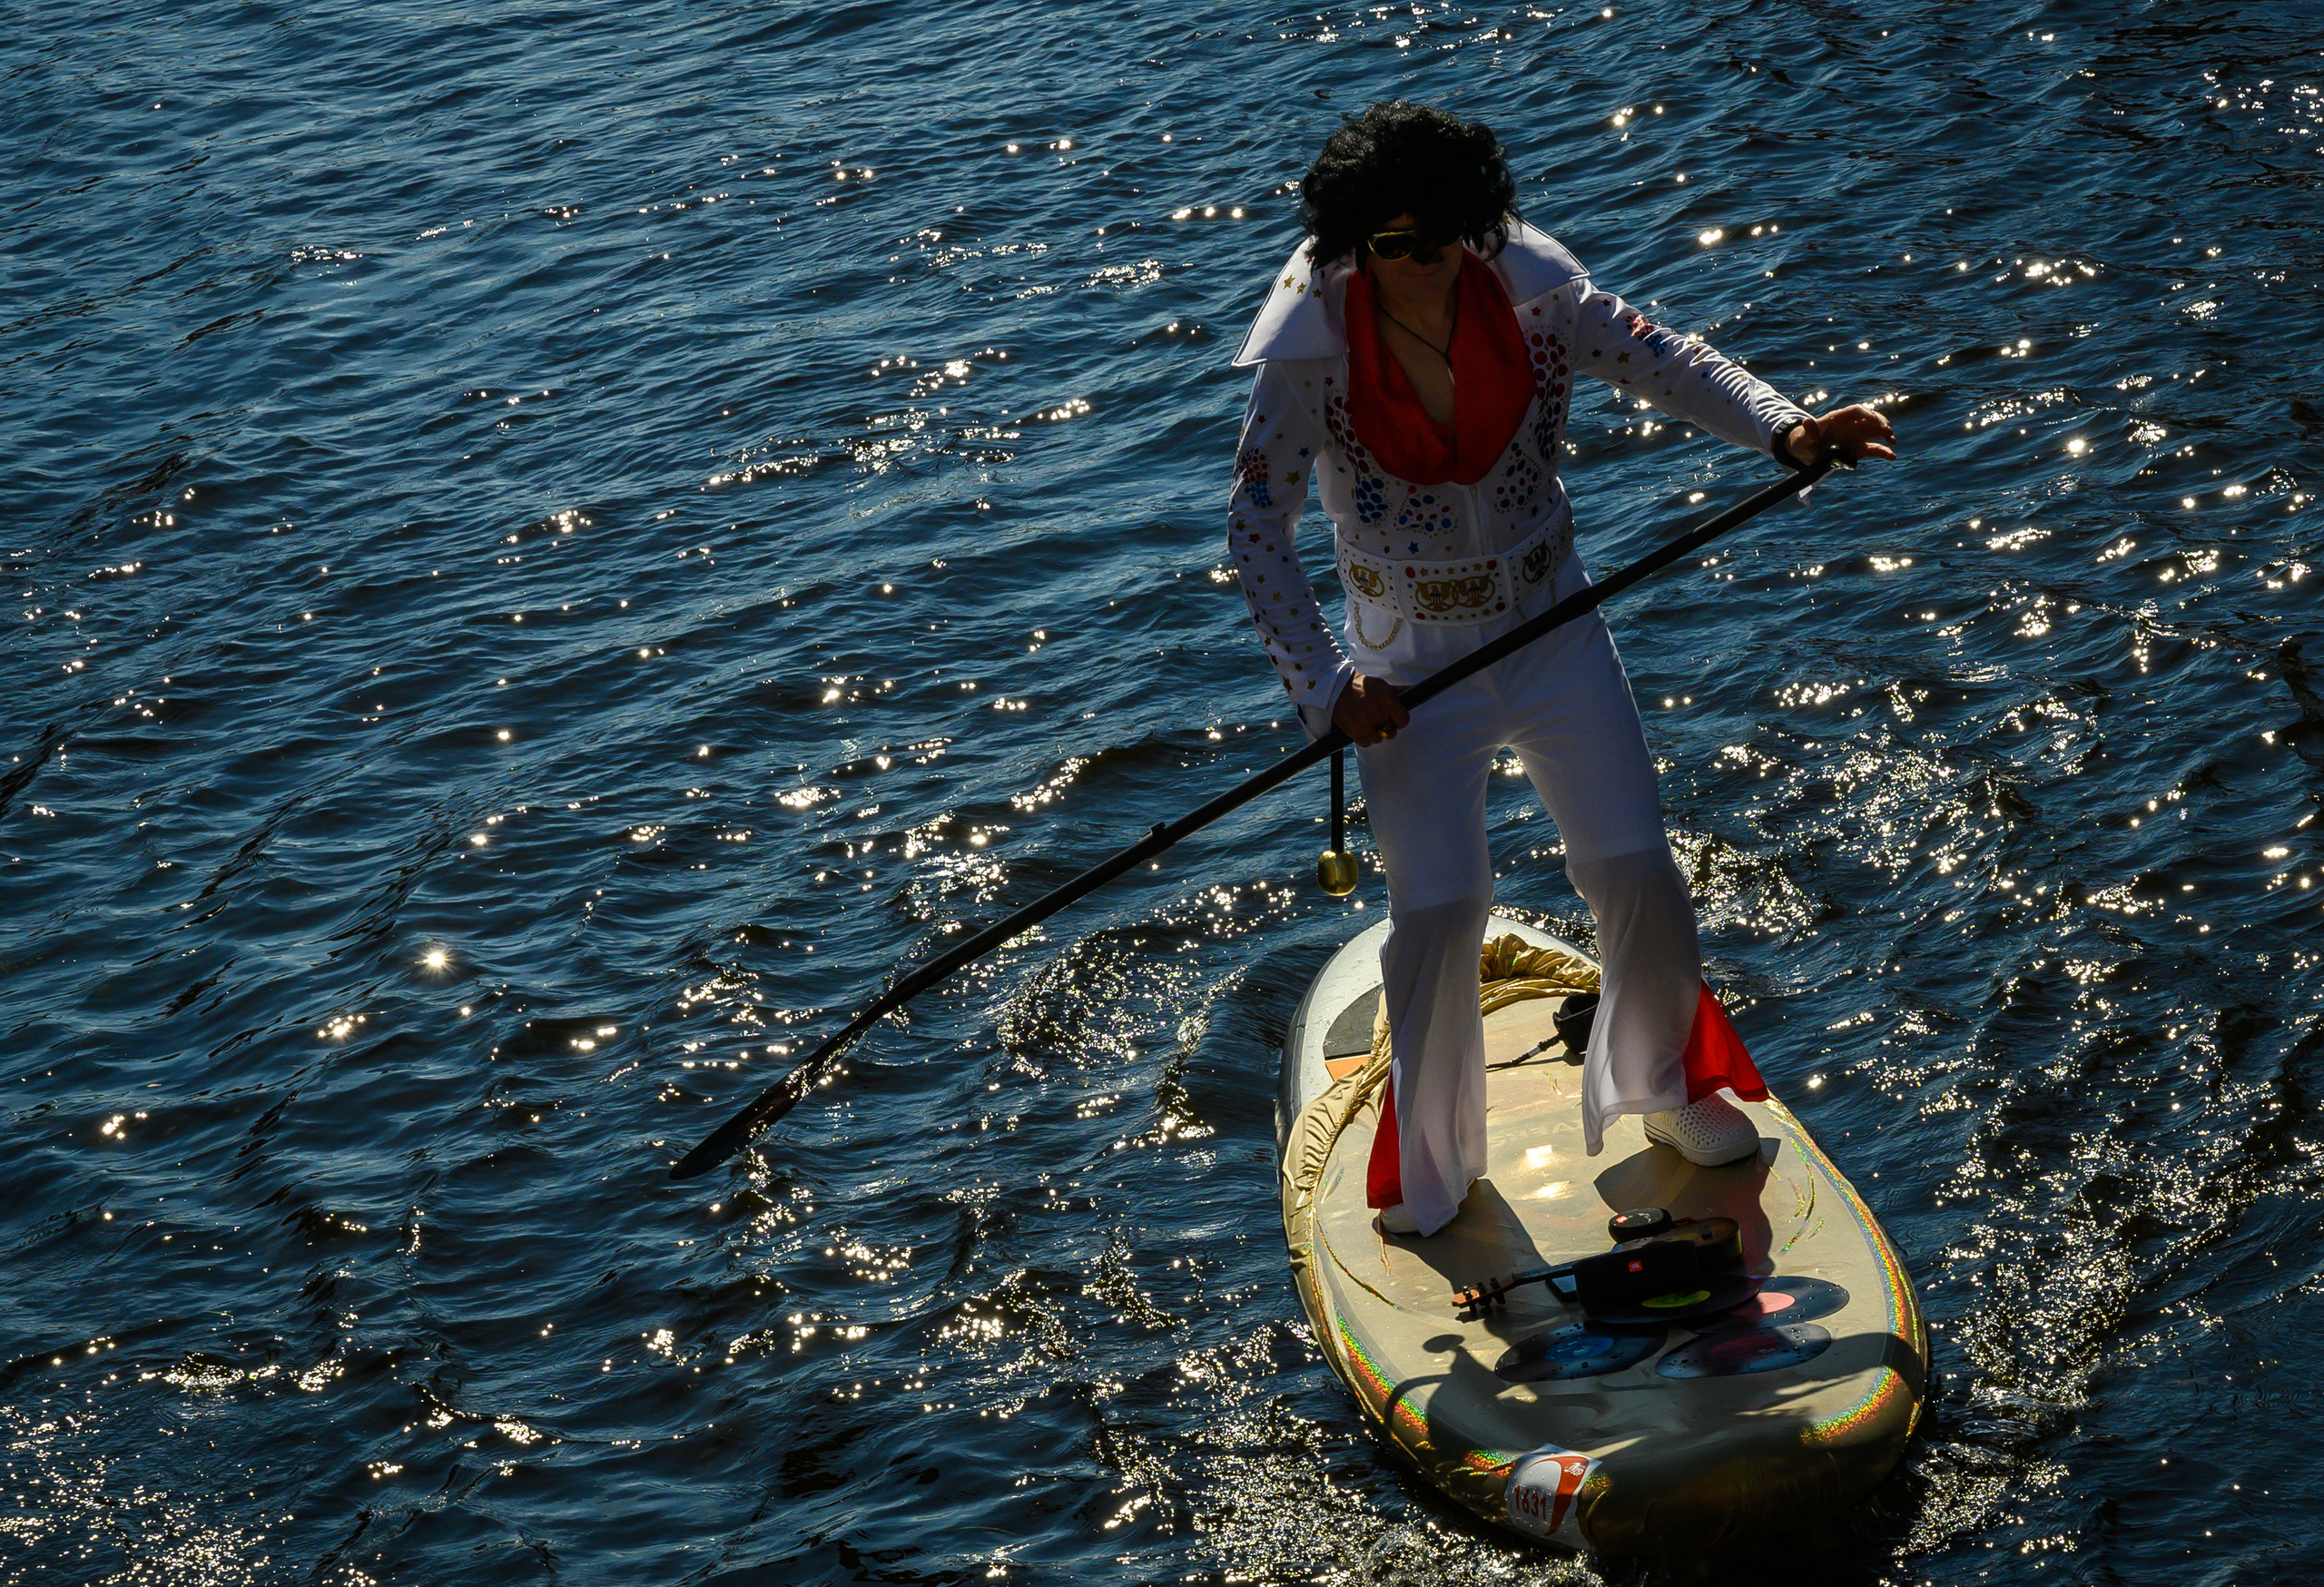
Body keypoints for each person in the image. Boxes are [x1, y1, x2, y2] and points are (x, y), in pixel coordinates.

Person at [1227, 102, 1895, 1237]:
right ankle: (1431, 1169)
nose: (1415, 266)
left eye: (1436, 239)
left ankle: (1670, 1091)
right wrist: (1331, 688)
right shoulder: (1310, 359)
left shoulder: (1540, 299)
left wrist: (1788, 430)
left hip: (1555, 628)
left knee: (1634, 869)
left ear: (1474, 230)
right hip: (1406, 673)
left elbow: (1670, 364)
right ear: (1350, 246)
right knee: (1439, 914)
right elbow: (1254, 529)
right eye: (1385, 246)